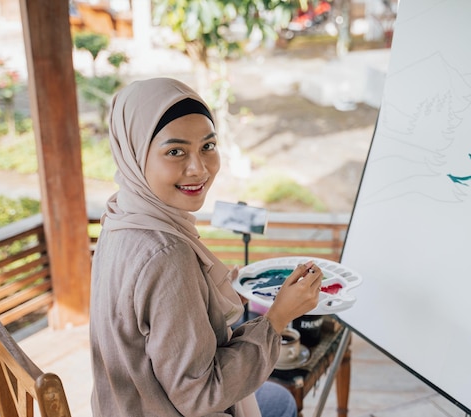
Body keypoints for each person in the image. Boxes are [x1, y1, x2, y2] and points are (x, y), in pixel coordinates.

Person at [89, 77, 324, 417]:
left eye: (208, 147)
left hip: (121, 404)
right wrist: (278, 318)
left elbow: (146, 312)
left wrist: (207, 295)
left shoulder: (120, 214)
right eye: (175, 151)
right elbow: (201, 396)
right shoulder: (167, 254)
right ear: (136, 154)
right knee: (283, 402)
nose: (198, 168)